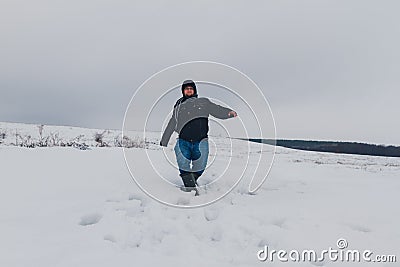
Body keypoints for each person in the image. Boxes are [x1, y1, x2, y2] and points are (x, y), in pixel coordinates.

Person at [160, 80, 237, 195]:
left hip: (201, 140)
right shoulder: (179, 107)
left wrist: (228, 112)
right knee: (183, 163)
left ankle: (191, 180)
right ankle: (190, 189)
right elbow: (172, 123)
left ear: (194, 90)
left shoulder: (203, 102)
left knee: (200, 165)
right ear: (183, 91)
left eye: (191, 88)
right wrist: (164, 140)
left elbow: (217, 109)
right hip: (183, 140)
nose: (189, 90)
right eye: (187, 89)